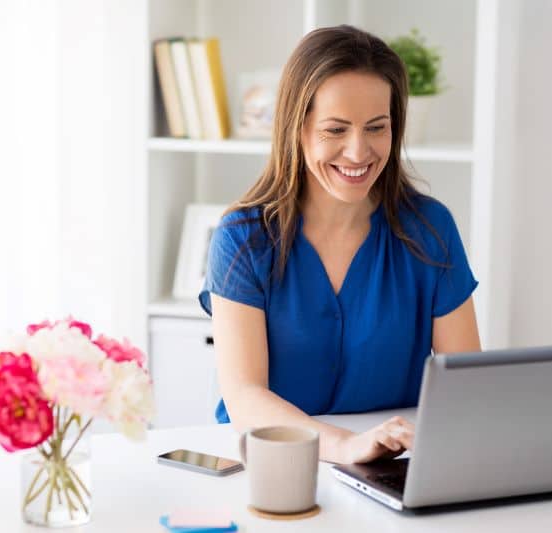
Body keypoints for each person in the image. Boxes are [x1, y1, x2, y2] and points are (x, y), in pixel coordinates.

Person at [199, 25, 480, 465]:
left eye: (376, 128)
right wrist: (346, 446)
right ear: (298, 128)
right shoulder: (243, 239)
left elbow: (466, 386)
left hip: (390, 468)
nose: (358, 152)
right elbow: (244, 397)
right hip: (271, 465)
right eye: (335, 129)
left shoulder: (430, 229)